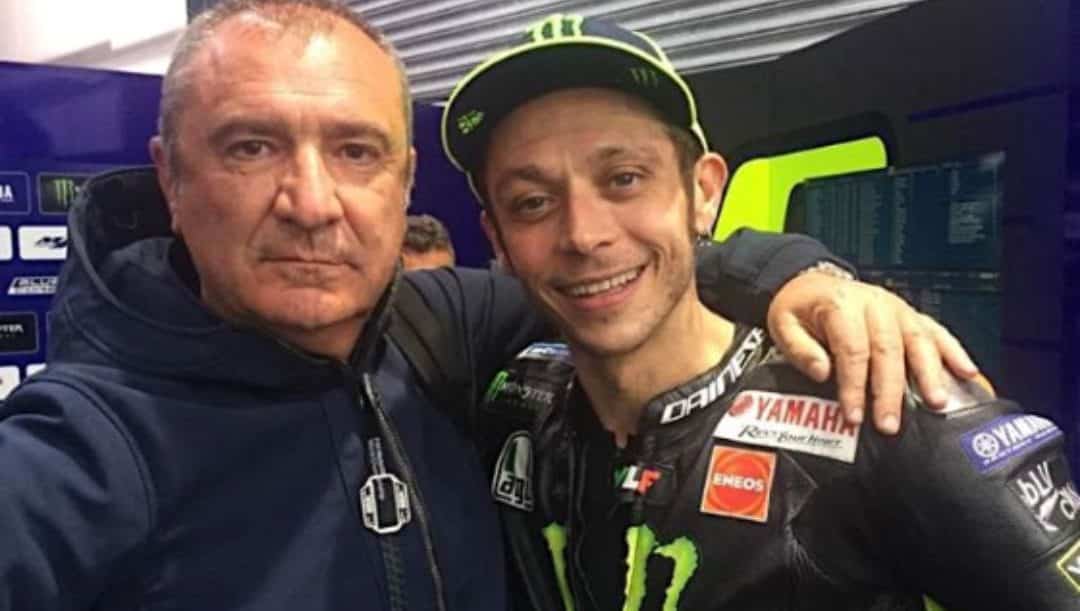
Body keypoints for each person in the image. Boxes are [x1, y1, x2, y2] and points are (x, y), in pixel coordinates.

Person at [0, 2, 977, 610]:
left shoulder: (441, 334)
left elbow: (627, 271)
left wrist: (802, 276)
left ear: (402, 183)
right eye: (250, 147)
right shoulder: (86, 446)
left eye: (354, 151)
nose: (311, 201)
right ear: (171, 178)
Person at [443, 13, 1080, 610]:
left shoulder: (883, 404)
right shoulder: (508, 401)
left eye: (624, 179)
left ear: (703, 192)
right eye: (532, 203)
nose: (584, 235)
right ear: (497, 238)